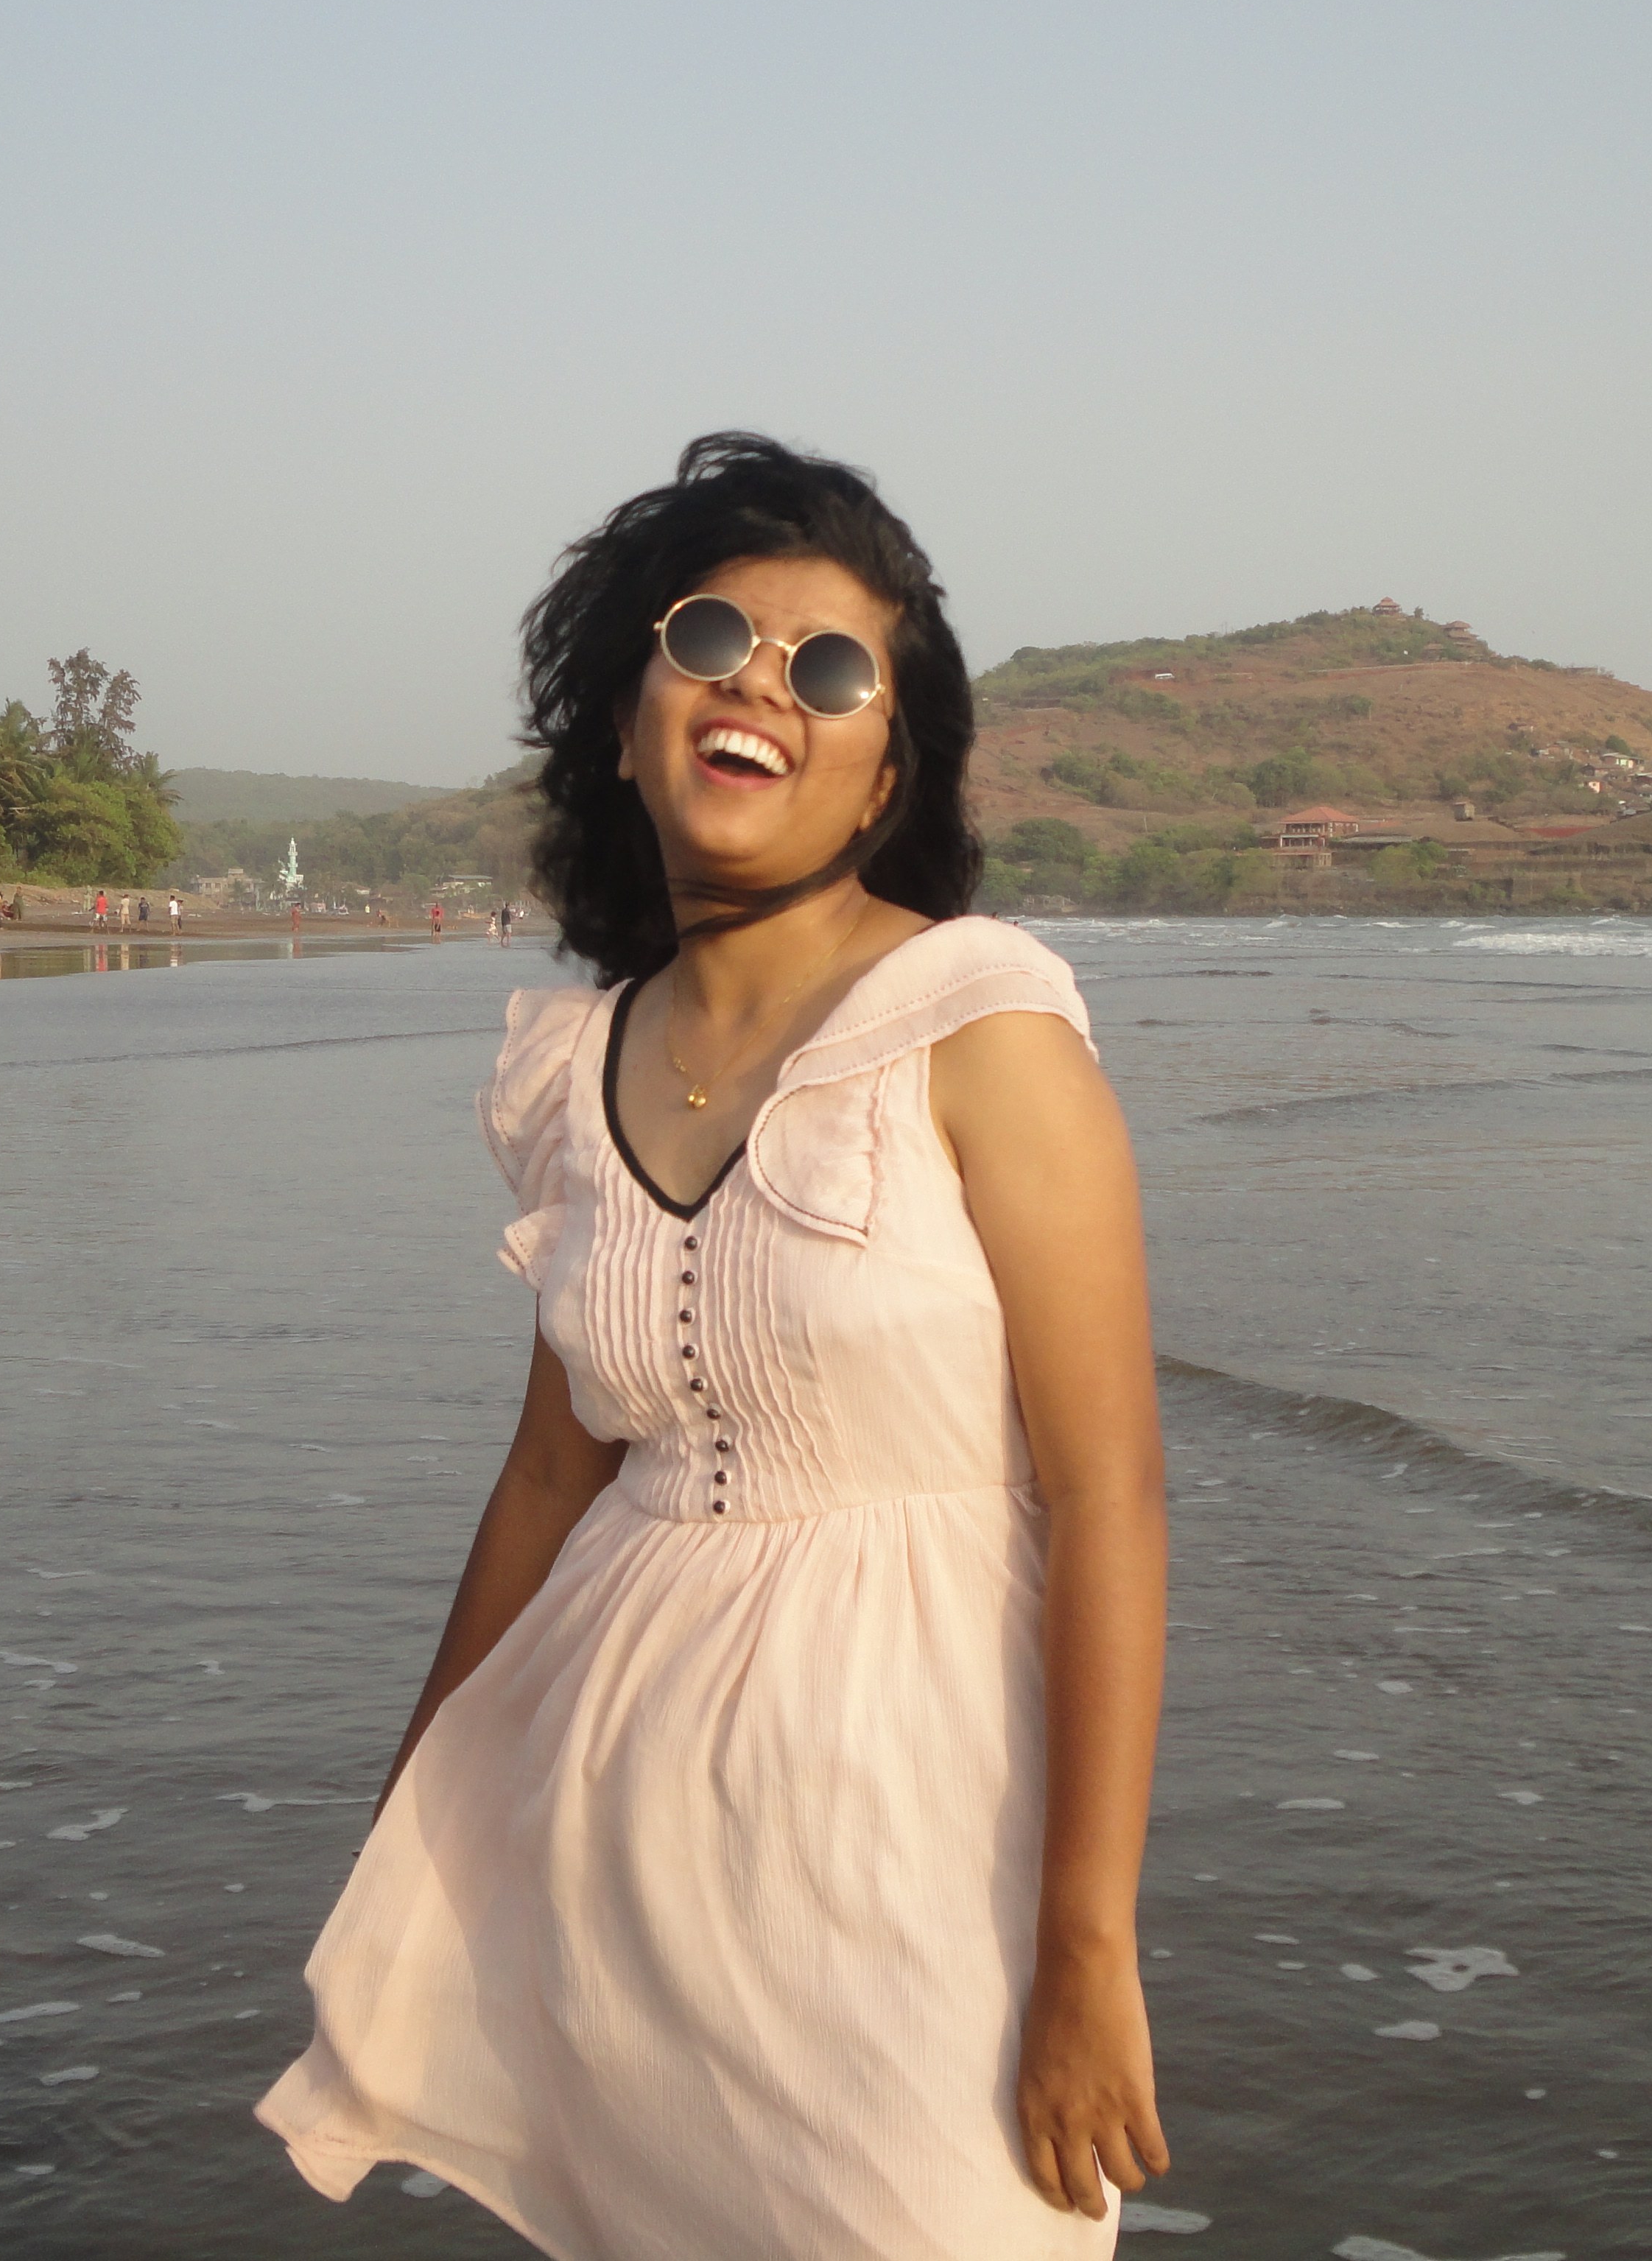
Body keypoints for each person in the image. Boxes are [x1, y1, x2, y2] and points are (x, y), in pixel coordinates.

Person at [257, 434, 1172, 2257]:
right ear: (626, 718)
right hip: (619, 1859)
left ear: (884, 777)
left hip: (915, 1845)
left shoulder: (982, 1030)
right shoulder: (570, 1073)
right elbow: (549, 1478)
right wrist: (409, 1815)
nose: (762, 682)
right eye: (709, 637)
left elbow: (1111, 1495)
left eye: (829, 669)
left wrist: (1087, 1946)